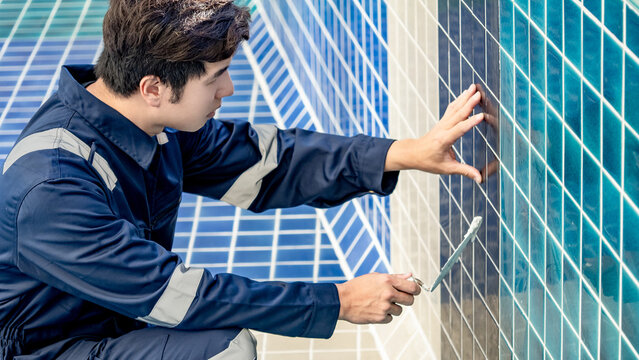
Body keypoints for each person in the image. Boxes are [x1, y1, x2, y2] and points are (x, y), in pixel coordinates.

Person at [0, 0, 485, 359]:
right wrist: (337, 300)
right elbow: (175, 296)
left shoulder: (142, 123)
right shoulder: (52, 189)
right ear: (153, 88)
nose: (228, 90)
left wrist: (406, 153)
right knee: (224, 350)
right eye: (216, 78)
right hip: (46, 349)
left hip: (106, 319)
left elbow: (269, 163)